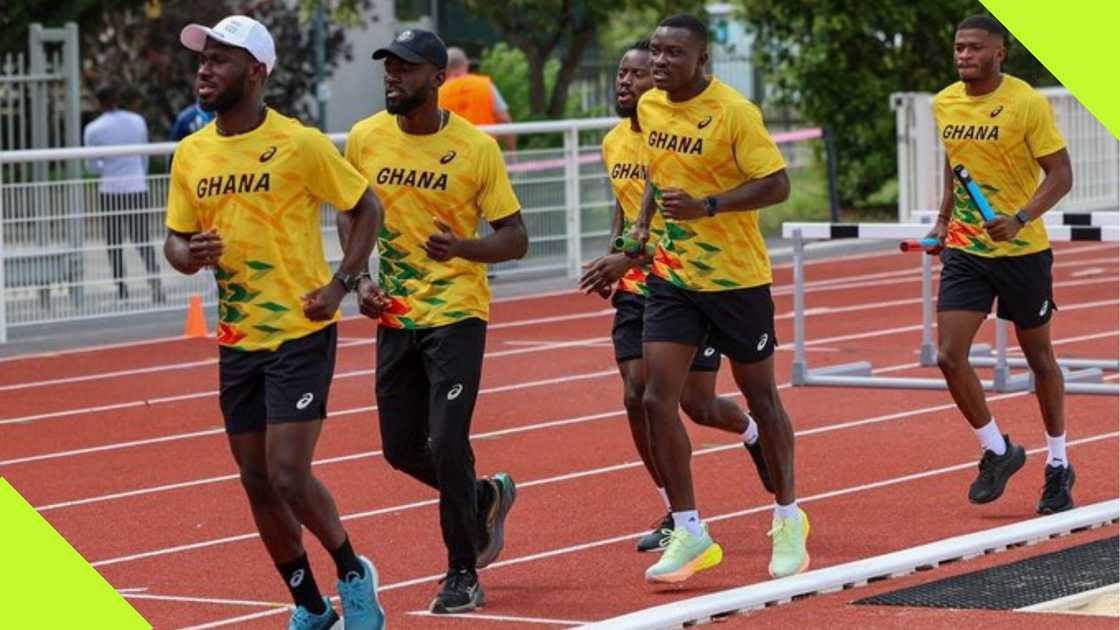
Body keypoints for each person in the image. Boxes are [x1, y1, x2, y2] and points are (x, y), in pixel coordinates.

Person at [164, 15, 386, 630]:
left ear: (256, 71)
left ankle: (351, 571)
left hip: (299, 329)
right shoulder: (193, 152)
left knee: (289, 473)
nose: (204, 69)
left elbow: (366, 204)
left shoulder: (300, 143)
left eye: (220, 59)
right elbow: (176, 244)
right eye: (202, 59)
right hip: (238, 338)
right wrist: (190, 257)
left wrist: (341, 283)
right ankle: (311, 607)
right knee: (256, 479)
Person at [344, 28, 528, 614]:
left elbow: (516, 238)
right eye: (388, 68)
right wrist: (361, 279)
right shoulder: (365, 138)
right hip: (395, 313)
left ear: (436, 78)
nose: (392, 78)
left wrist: (464, 249)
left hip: (456, 311)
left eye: (405, 68)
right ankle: (483, 496)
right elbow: (352, 215)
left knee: (448, 440)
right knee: (400, 449)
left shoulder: (475, 149)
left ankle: (462, 572)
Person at [628, 14, 808, 583]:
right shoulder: (651, 107)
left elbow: (777, 184)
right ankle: (690, 531)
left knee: (761, 397)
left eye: (672, 53)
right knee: (658, 397)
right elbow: (658, 175)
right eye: (655, 51)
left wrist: (709, 205)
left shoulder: (734, 112)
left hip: (736, 280)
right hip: (673, 277)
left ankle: (787, 518)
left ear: (702, 60)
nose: (659, 62)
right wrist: (640, 226)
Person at [579, 39, 773, 556]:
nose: (627, 82)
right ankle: (677, 512)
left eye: (637, 75)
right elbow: (628, 212)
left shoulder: (690, 129)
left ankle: (752, 431)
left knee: (700, 405)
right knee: (637, 394)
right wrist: (615, 255)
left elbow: (678, 217)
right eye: (622, 73)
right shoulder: (616, 141)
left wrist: (632, 257)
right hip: (640, 288)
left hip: (690, 279)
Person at [926, 15, 1074, 513]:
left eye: (973, 48)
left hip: (1022, 251)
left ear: (999, 52)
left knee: (1040, 360)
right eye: (958, 47)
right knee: (949, 355)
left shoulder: (1026, 103)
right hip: (968, 250)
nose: (963, 55)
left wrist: (1020, 217)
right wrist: (943, 219)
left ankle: (1058, 464)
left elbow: (1061, 174)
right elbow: (955, 160)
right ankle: (998, 450)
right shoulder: (944, 102)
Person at [84, 82, 165, 302]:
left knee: (114, 242)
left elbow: (91, 166)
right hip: (137, 186)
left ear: (99, 102)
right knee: (142, 238)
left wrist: (105, 167)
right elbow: (144, 155)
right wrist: (141, 174)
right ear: (117, 98)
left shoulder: (93, 129)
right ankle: (156, 283)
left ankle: (122, 291)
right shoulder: (137, 121)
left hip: (110, 189)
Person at [437, 46, 515, 151]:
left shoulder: (438, 92)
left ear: (444, 69)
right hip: (485, 152)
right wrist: (512, 153)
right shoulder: (485, 85)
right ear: (466, 64)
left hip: (451, 157)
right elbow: (505, 120)